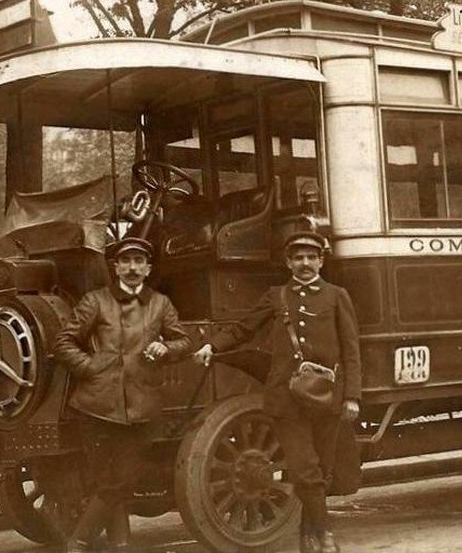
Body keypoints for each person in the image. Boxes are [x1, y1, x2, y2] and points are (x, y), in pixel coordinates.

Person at [194, 231, 361, 553]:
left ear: (321, 260)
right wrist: (211, 346)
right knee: (304, 469)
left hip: (327, 399)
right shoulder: (276, 296)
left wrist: (352, 396)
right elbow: (243, 329)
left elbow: (352, 350)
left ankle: (306, 534)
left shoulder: (338, 296)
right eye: (298, 258)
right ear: (288, 262)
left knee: (321, 473)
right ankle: (325, 535)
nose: (305, 264)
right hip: (286, 400)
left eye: (311, 257)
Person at [55, 237, 192, 552]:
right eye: (126, 261)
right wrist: (90, 368)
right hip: (97, 407)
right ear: (115, 267)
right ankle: (120, 543)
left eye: (139, 262)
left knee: (124, 480)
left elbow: (185, 342)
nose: (132, 268)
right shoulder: (96, 301)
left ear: (148, 268)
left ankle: (78, 540)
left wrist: (166, 347)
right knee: (107, 481)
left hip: (142, 407)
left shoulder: (160, 304)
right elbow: (63, 342)